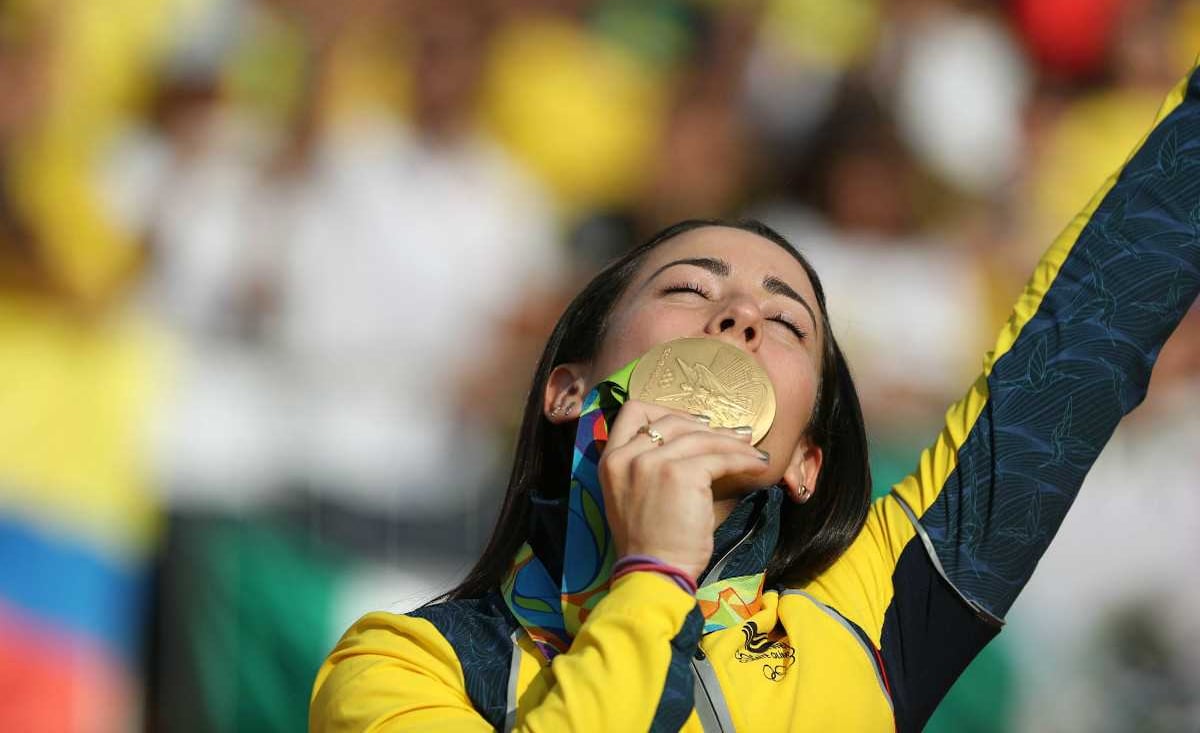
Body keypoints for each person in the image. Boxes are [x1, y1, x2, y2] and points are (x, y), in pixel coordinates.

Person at [309, 65, 1200, 731]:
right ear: (568, 388)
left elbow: (1089, 332)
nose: (738, 315)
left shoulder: (871, 621)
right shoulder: (402, 664)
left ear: (807, 459)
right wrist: (653, 573)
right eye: (689, 289)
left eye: (787, 322)